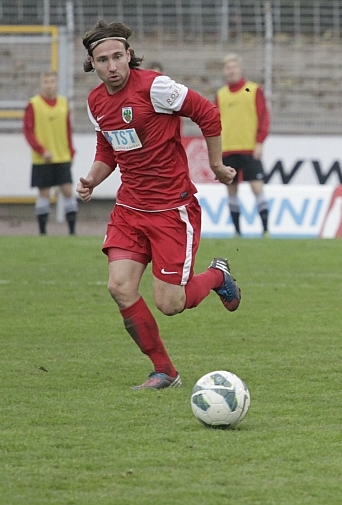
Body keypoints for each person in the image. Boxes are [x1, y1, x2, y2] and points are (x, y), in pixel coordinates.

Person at [75, 20, 241, 390]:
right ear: (92, 64)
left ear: (129, 55)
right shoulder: (95, 102)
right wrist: (92, 179)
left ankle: (217, 276)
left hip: (171, 210)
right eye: (103, 60)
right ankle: (165, 371)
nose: (112, 66)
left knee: (170, 303)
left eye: (118, 56)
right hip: (130, 209)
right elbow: (108, 149)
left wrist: (216, 165)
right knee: (119, 287)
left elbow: (208, 113)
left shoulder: (156, 87)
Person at [216, 53, 271, 235]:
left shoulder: (252, 90)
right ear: (224, 71)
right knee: (231, 190)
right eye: (228, 68)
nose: (231, 71)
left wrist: (259, 142)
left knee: (257, 188)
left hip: (248, 148)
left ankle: (265, 229)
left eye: (234, 67)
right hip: (228, 149)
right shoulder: (221, 95)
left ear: (240, 69)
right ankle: (237, 232)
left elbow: (263, 117)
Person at [22, 71, 77, 235]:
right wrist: (41, 150)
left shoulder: (64, 103)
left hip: (62, 155)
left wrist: (71, 151)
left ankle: (72, 231)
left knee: (68, 191)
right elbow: (28, 131)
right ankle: (43, 232)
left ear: (57, 84)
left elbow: (68, 130)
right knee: (44, 193)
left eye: (52, 81)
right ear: (41, 84)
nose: (49, 85)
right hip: (43, 158)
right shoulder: (34, 104)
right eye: (46, 82)